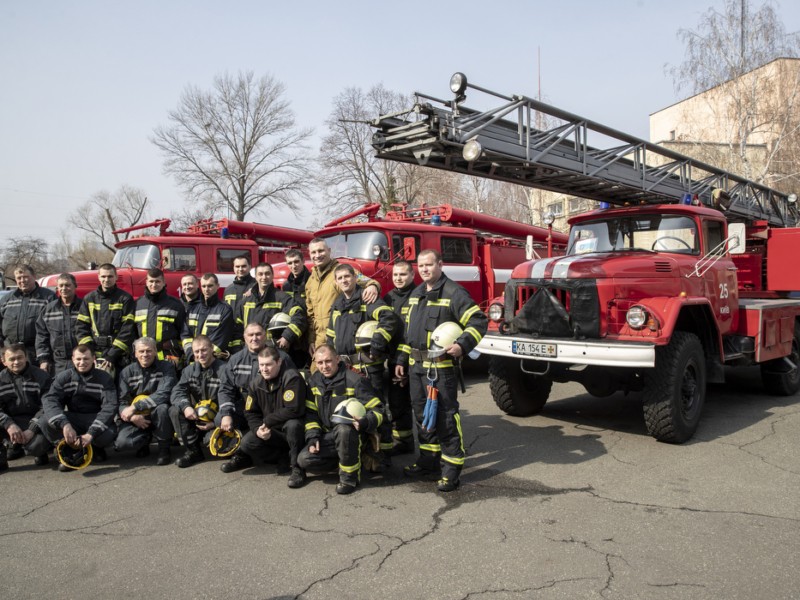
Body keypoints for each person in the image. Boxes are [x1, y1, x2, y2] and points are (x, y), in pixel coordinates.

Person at [395, 249, 488, 492]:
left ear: (440, 264)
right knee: (422, 419)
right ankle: (429, 463)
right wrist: (401, 359)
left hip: (440, 369)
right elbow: (409, 334)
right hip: (416, 368)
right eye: (421, 265)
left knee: (445, 419)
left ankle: (451, 471)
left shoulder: (454, 293)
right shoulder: (416, 294)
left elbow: (478, 321)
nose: (424, 269)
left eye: (429, 264)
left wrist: (462, 345)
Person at [327, 263, 398, 463]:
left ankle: (383, 453)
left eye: (347, 277)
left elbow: (389, 318)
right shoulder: (338, 303)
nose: (344, 281)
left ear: (355, 277)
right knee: (353, 409)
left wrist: (376, 345)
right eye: (339, 278)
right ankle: (363, 450)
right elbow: (331, 335)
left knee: (376, 407)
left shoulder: (367, 298)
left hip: (367, 365)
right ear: (336, 282)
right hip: (345, 367)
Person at [297, 344, 385, 495]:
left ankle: (349, 478)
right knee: (304, 460)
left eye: (328, 361)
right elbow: (311, 414)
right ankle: (348, 458)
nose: (324, 366)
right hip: (328, 435)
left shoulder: (355, 380)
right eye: (320, 363)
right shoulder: (314, 381)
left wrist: (365, 422)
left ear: (337, 359)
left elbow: (378, 410)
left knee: (344, 430)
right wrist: (312, 437)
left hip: (354, 433)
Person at [214, 322, 295, 473]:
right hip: (247, 408)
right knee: (220, 418)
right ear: (244, 337)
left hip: (272, 410)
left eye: (258, 334)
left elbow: (292, 387)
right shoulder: (235, 360)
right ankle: (242, 455)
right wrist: (226, 414)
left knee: (286, 427)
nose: (254, 338)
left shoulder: (281, 358)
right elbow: (225, 389)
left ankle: (282, 454)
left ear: (265, 336)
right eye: (250, 335)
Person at [237, 345, 306, 488]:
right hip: (273, 433)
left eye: (268, 364)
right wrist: (258, 429)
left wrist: (267, 421)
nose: (264, 369)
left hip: (293, 430)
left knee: (293, 425)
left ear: (279, 362)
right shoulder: (255, 384)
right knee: (247, 443)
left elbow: (294, 409)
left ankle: (297, 469)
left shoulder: (291, 377)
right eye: (261, 365)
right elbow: (250, 412)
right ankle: (282, 457)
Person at [304, 238, 380, 367]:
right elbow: (310, 315)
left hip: (338, 338)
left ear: (329, 251)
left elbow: (367, 281)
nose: (317, 255)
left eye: (321, 251)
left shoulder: (340, 271)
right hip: (319, 341)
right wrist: (311, 340)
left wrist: (373, 286)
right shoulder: (311, 281)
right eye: (314, 252)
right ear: (310, 254)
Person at [41, 345, 119, 470]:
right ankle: (67, 449)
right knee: (44, 421)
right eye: (78, 359)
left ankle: (95, 447)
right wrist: (64, 424)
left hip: (94, 418)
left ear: (94, 358)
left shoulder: (104, 378)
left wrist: (91, 433)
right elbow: (50, 400)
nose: (82, 363)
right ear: (72, 359)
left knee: (108, 434)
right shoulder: (64, 377)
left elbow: (110, 407)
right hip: (73, 419)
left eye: (86, 359)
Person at [115, 337, 177, 465]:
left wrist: (135, 407)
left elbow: (164, 393)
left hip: (157, 412)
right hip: (137, 416)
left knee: (163, 408)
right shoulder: (126, 372)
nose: (145, 354)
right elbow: (121, 401)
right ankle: (143, 442)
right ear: (135, 353)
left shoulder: (166, 368)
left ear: (155, 351)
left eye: (148, 351)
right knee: (122, 443)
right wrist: (132, 417)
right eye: (141, 351)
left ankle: (164, 449)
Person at [169, 335, 226, 468]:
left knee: (218, 447)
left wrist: (214, 422)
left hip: (218, 420)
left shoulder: (224, 370)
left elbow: (232, 399)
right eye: (196, 351)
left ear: (212, 349)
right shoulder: (189, 371)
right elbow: (177, 392)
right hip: (196, 417)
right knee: (174, 410)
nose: (200, 355)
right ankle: (193, 451)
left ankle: (210, 439)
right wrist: (185, 407)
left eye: (204, 350)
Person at [75, 263, 136, 377]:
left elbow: (128, 329)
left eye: (110, 276)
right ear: (98, 277)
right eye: (103, 276)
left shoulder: (125, 299)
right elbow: (81, 327)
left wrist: (112, 355)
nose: (106, 279)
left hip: (118, 356)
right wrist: (90, 351)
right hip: (94, 355)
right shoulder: (89, 298)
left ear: (116, 277)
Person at [383, 260, 417, 455]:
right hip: (395, 358)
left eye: (403, 274)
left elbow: (410, 333)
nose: (398, 278)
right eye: (395, 275)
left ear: (412, 275)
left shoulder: (418, 296)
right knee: (397, 401)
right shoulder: (389, 298)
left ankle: (433, 445)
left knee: (418, 403)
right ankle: (404, 441)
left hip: (412, 357)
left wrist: (402, 359)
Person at [0, 344, 52, 470]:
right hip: (11, 423)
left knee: (36, 446)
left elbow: (48, 406)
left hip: (34, 422)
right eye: (12, 359)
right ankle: (3, 455)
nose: (16, 362)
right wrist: (9, 425)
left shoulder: (41, 376)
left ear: (26, 357)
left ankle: (40, 452)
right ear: (3, 361)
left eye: (20, 358)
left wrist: (32, 429)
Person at [236, 262, 306, 351]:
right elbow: (237, 326)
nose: (264, 277)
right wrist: (238, 348)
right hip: (250, 350)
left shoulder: (282, 298)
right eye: (260, 274)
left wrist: (287, 337)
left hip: (273, 351)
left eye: (267, 274)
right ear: (256, 277)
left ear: (272, 276)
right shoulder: (246, 300)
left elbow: (300, 316)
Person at [0, 265, 56, 364]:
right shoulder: (6, 300)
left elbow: (55, 328)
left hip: (36, 355)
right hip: (10, 354)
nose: (23, 280)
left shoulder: (49, 298)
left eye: (26, 277)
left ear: (34, 277)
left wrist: (45, 356)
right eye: (19, 278)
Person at [134, 268, 186, 366]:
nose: (154, 285)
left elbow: (184, 333)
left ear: (164, 282)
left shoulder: (175, 305)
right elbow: (133, 332)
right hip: (144, 358)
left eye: (157, 281)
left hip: (168, 357)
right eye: (151, 281)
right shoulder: (138, 304)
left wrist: (174, 346)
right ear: (146, 282)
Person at [35, 272, 84, 375]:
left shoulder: (84, 307)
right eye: (61, 286)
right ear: (57, 288)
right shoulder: (49, 310)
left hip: (82, 361)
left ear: (75, 286)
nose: (64, 288)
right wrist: (43, 360)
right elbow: (41, 336)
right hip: (57, 364)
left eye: (67, 285)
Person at [181, 273, 234, 361]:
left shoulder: (225, 310)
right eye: (204, 286)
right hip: (192, 361)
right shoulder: (193, 308)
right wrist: (192, 354)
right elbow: (185, 334)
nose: (206, 289)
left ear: (218, 286)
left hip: (213, 361)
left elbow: (220, 338)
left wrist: (203, 355)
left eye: (210, 286)